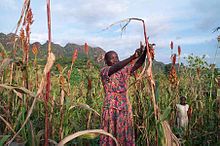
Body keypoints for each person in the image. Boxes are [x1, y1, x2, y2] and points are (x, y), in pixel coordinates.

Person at [99, 44, 147, 146]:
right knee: (110, 131)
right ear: (106, 61)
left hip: (124, 106)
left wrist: (145, 52)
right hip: (111, 107)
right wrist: (132, 57)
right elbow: (115, 67)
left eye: (116, 57)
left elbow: (138, 64)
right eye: (112, 58)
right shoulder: (104, 71)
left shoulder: (124, 70)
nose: (115, 60)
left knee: (124, 130)